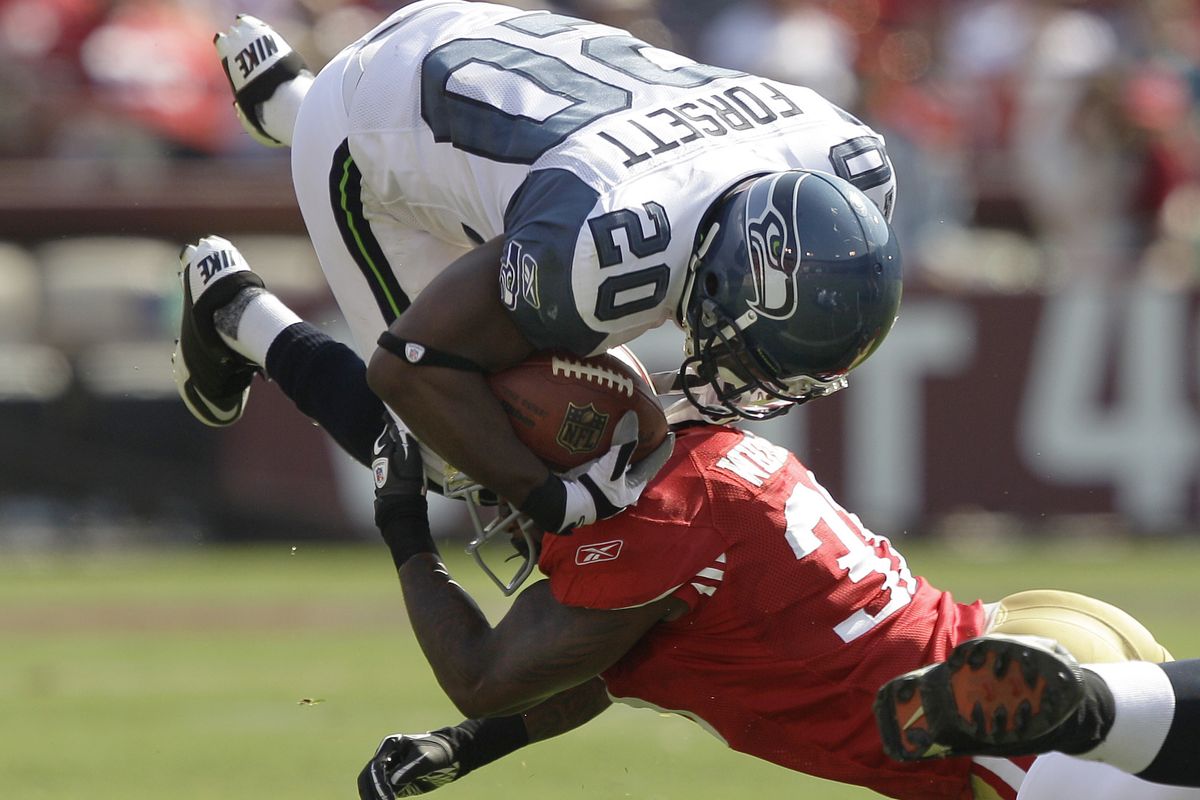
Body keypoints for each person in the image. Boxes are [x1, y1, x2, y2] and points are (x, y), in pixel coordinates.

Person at [172, 237, 1200, 800]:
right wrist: (470, 750)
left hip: (991, 746)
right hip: (1021, 639)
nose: (484, 486)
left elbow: (493, 666)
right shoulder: (688, 458)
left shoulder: (648, 537)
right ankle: (243, 312)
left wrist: (399, 527)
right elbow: (604, 661)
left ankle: (242, 313)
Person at [175, 0, 903, 538]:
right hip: (381, 129)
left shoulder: (848, 160)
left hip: (483, 39)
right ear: (721, 282)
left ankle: (289, 101)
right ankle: (234, 310)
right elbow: (413, 363)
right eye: (761, 356)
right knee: (452, 449)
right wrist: (542, 494)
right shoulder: (601, 254)